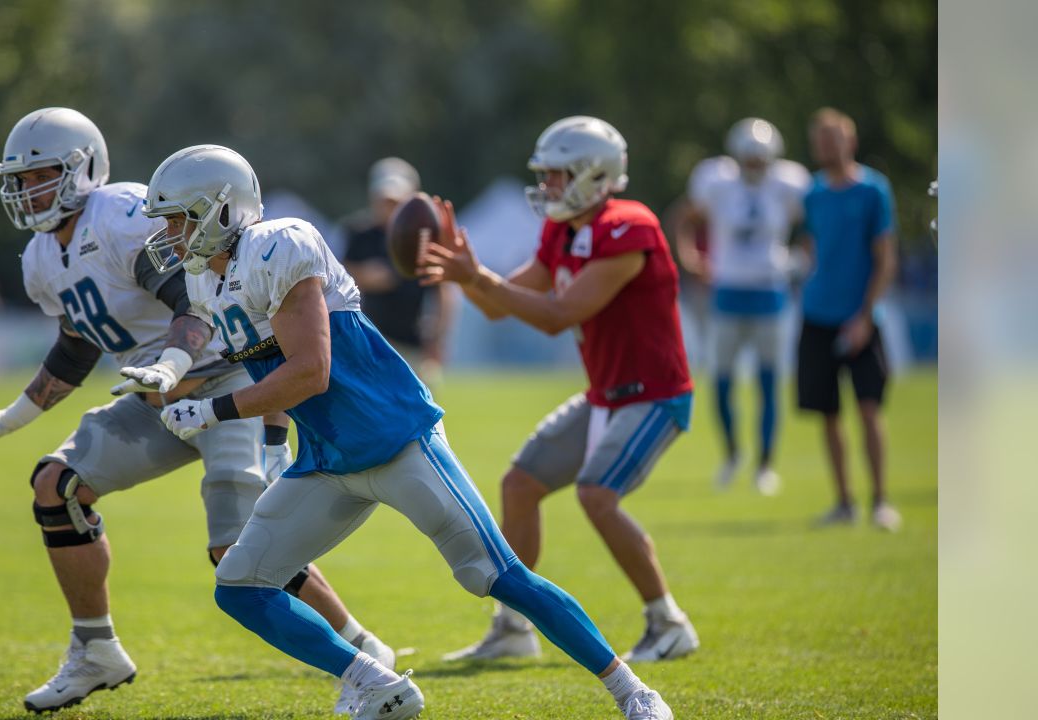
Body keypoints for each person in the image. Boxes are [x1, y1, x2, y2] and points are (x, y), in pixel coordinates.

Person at [133, 143, 673, 720]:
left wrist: (214, 412)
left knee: (497, 575)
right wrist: (270, 444)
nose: (169, 232)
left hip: (395, 440)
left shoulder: (279, 243)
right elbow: (271, 361)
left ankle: (633, 692)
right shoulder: (206, 284)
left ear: (223, 209)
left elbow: (309, 372)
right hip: (328, 459)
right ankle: (374, 681)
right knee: (239, 584)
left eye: (178, 217)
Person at [0, 108, 393, 715]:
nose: (28, 191)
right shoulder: (40, 259)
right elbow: (77, 348)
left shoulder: (123, 215)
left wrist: (173, 369)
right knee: (57, 486)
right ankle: (96, 650)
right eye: (21, 180)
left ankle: (363, 649)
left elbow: (192, 306)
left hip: (224, 384)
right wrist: (10, 418)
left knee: (237, 553)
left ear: (83, 168)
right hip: (152, 398)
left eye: (40, 175)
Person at [423, 116, 700, 666]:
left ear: (594, 175)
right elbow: (500, 305)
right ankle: (513, 627)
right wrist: (466, 274)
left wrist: (480, 279)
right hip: (606, 393)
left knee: (597, 496)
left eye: (556, 175)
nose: (547, 186)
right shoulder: (565, 229)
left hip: (654, 394)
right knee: (519, 484)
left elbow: (558, 315)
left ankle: (667, 621)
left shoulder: (629, 226)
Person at [676, 118, 812, 494]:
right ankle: (733, 454)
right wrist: (691, 259)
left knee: (770, 382)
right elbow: (686, 218)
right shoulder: (716, 180)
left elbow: (814, 223)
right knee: (721, 382)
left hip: (771, 292)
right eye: (749, 159)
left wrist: (801, 258)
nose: (754, 166)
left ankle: (766, 464)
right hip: (728, 291)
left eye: (760, 160)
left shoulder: (789, 183)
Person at [797, 108, 901, 531]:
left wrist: (864, 316)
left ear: (850, 141)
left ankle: (880, 500)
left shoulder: (874, 190)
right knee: (828, 413)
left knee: (869, 409)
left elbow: (885, 258)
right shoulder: (813, 194)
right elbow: (810, 247)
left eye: (833, 138)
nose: (826, 146)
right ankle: (844, 502)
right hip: (817, 315)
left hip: (860, 318)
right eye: (819, 139)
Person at [341, 157, 453, 387]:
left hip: (412, 343)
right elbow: (336, 278)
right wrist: (364, 277)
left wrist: (437, 338)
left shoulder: (427, 238)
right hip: (367, 342)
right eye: (385, 201)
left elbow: (442, 290)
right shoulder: (359, 234)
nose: (390, 208)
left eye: (396, 202)